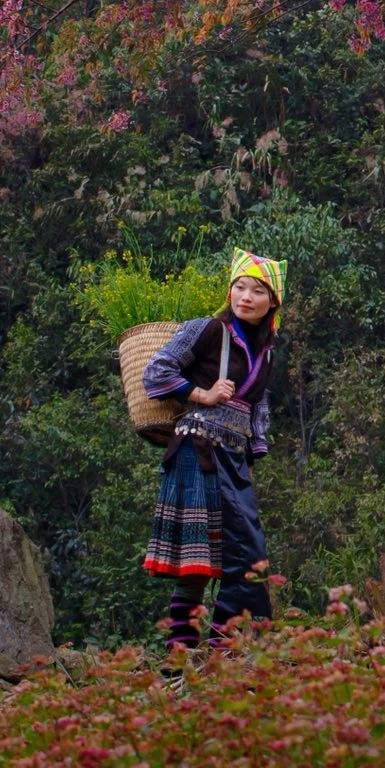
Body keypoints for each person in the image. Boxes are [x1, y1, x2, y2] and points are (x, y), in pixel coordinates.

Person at [139, 248, 284, 686]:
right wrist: (201, 394)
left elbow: (258, 412)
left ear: (272, 303)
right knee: (197, 558)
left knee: (247, 552)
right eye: (240, 287)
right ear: (230, 291)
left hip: (234, 458)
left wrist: (252, 456)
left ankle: (229, 647)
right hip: (197, 447)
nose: (246, 297)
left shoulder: (267, 353)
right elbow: (155, 372)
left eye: (257, 291)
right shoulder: (206, 330)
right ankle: (178, 656)